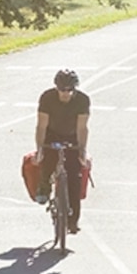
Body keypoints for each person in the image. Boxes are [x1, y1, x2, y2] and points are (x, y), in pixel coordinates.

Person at [33, 67, 89, 235]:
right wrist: (39, 149)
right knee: (48, 160)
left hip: (72, 136)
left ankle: (73, 221)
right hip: (52, 134)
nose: (65, 93)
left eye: (69, 90)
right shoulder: (47, 98)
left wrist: (82, 151)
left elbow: (82, 128)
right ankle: (44, 186)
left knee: (74, 177)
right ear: (56, 87)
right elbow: (41, 125)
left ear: (75, 88)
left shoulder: (82, 100)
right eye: (62, 90)